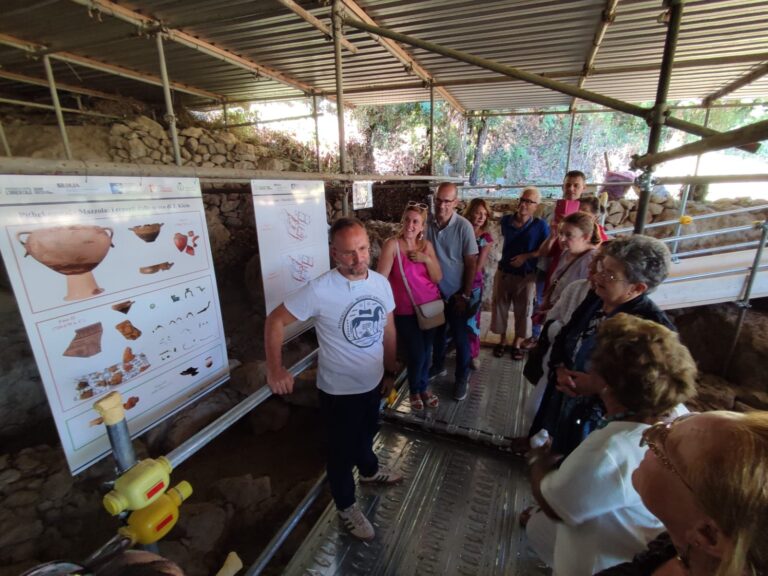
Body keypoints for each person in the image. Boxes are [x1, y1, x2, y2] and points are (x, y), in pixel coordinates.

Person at [525, 313, 698, 576]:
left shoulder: (611, 451)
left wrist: (538, 463)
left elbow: (554, 505)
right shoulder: (678, 417)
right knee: (539, 528)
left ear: (607, 380)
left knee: (543, 523)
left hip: (599, 565)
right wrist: (598, 390)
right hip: (633, 542)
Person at [265, 217, 401, 541]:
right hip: (339, 392)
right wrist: (275, 368)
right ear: (334, 253)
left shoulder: (380, 283)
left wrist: (390, 371)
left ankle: (369, 472)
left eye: (363, 249)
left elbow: (388, 329)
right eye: (349, 252)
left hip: (373, 382)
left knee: (367, 433)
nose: (358, 258)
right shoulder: (320, 289)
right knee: (340, 453)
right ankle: (346, 506)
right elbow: (275, 321)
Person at [530, 234, 674, 457]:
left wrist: (598, 387)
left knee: (579, 463)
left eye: (610, 275)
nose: (597, 276)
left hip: (599, 422)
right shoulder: (597, 298)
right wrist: (559, 369)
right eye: (601, 268)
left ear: (637, 288)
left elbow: (647, 393)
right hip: (566, 399)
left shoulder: (652, 330)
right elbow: (568, 334)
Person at [598, 410, 768, 576]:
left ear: (708, 535)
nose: (647, 433)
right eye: (678, 421)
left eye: (667, 446)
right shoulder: (676, 548)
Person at [377, 202, 443, 411]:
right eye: (407, 219)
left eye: (415, 221)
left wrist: (426, 259)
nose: (410, 225)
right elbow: (381, 280)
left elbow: (437, 277)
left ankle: (423, 387)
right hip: (405, 310)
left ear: (422, 226)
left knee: (427, 350)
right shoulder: (392, 245)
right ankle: (415, 390)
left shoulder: (426, 246)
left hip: (430, 308)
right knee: (417, 353)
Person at [426, 182, 478, 401]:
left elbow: (471, 263)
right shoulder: (427, 223)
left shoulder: (464, 227)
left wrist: (465, 295)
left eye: (447, 201)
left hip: (456, 294)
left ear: (456, 202)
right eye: (439, 200)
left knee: (460, 337)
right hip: (434, 293)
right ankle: (438, 366)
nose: (442, 205)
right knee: (437, 334)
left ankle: (461, 378)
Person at [490, 186, 549, 361]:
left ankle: (516, 343)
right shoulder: (505, 221)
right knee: (500, 307)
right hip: (504, 272)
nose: (524, 204)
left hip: (526, 275)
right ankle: (502, 340)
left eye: (529, 202)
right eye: (522, 200)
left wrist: (526, 256)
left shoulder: (540, 226)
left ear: (536, 206)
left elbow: (544, 250)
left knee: (523, 311)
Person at [534, 211, 600, 323]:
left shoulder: (591, 261)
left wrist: (556, 312)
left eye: (569, 235)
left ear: (586, 237)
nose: (562, 239)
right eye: (561, 233)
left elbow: (584, 300)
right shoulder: (566, 253)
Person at [463, 198, 494, 370]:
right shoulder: (461, 231)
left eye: (484, 214)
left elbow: (478, 266)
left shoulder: (485, 238)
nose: (481, 217)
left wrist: (466, 287)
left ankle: (473, 354)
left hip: (473, 283)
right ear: (470, 213)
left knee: (472, 319)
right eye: (478, 213)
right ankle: (457, 349)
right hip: (456, 280)